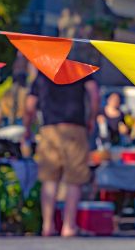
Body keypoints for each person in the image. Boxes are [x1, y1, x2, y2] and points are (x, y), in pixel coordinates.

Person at [24, 73, 99, 237]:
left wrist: (27, 128)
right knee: (74, 179)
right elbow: (94, 93)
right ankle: (68, 226)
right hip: (75, 127)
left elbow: (30, 104)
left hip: (49, 130)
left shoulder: (43, 73)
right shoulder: (79, 68)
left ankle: (48, 226)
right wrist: (92, 118)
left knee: (49, 179)